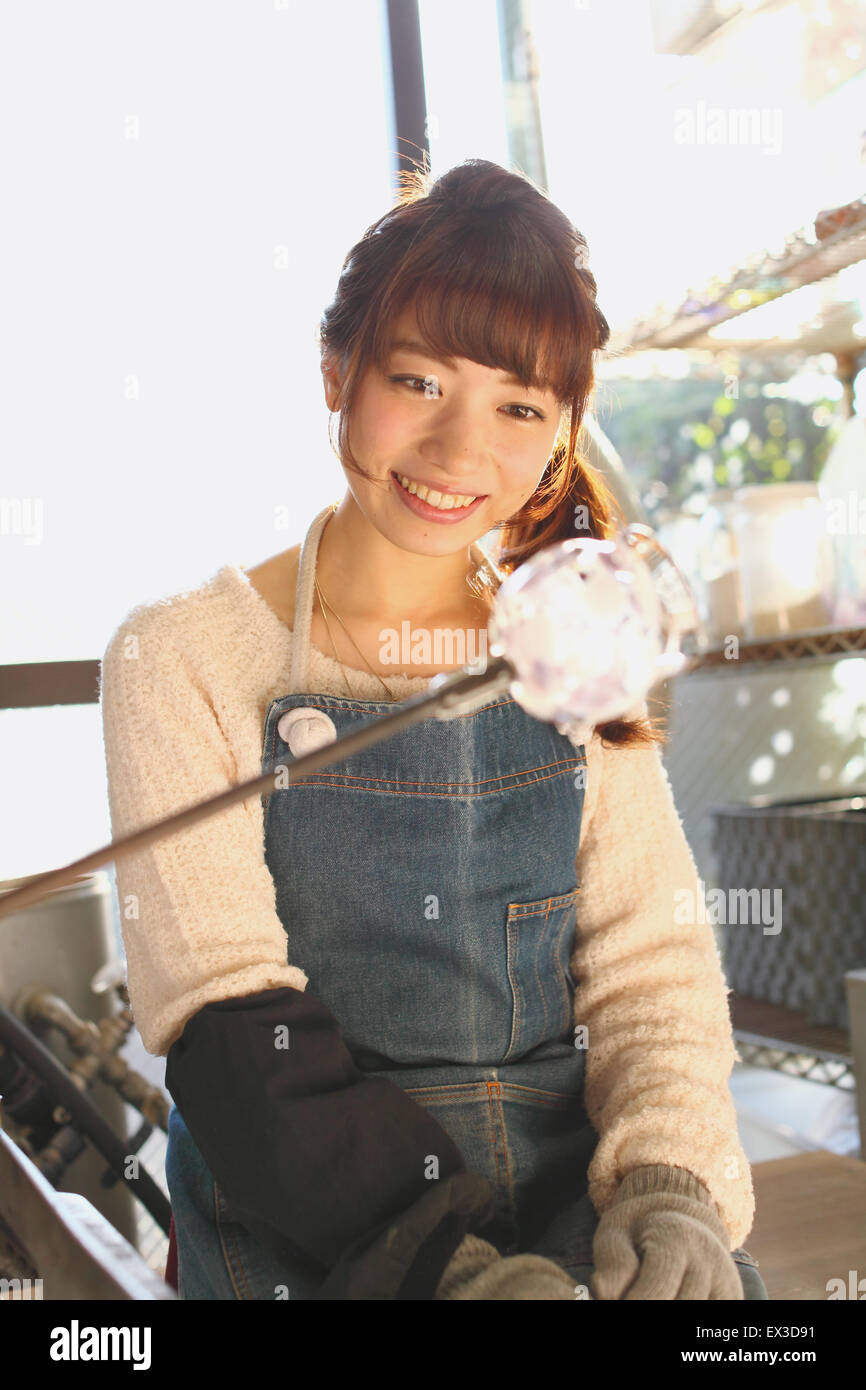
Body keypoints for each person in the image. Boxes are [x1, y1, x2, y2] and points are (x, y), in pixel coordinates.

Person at [100, 158, 768, 1301]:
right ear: (334, 371)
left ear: (560, 432)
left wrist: (669, 1188)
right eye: (418, 381)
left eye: (517, 407)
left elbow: (650, 971)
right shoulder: (181, 656)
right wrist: (443, 1272)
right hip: (314, 1220)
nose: (462, 453)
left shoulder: (572, 647)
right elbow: (227, 1022)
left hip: (574, 1200)